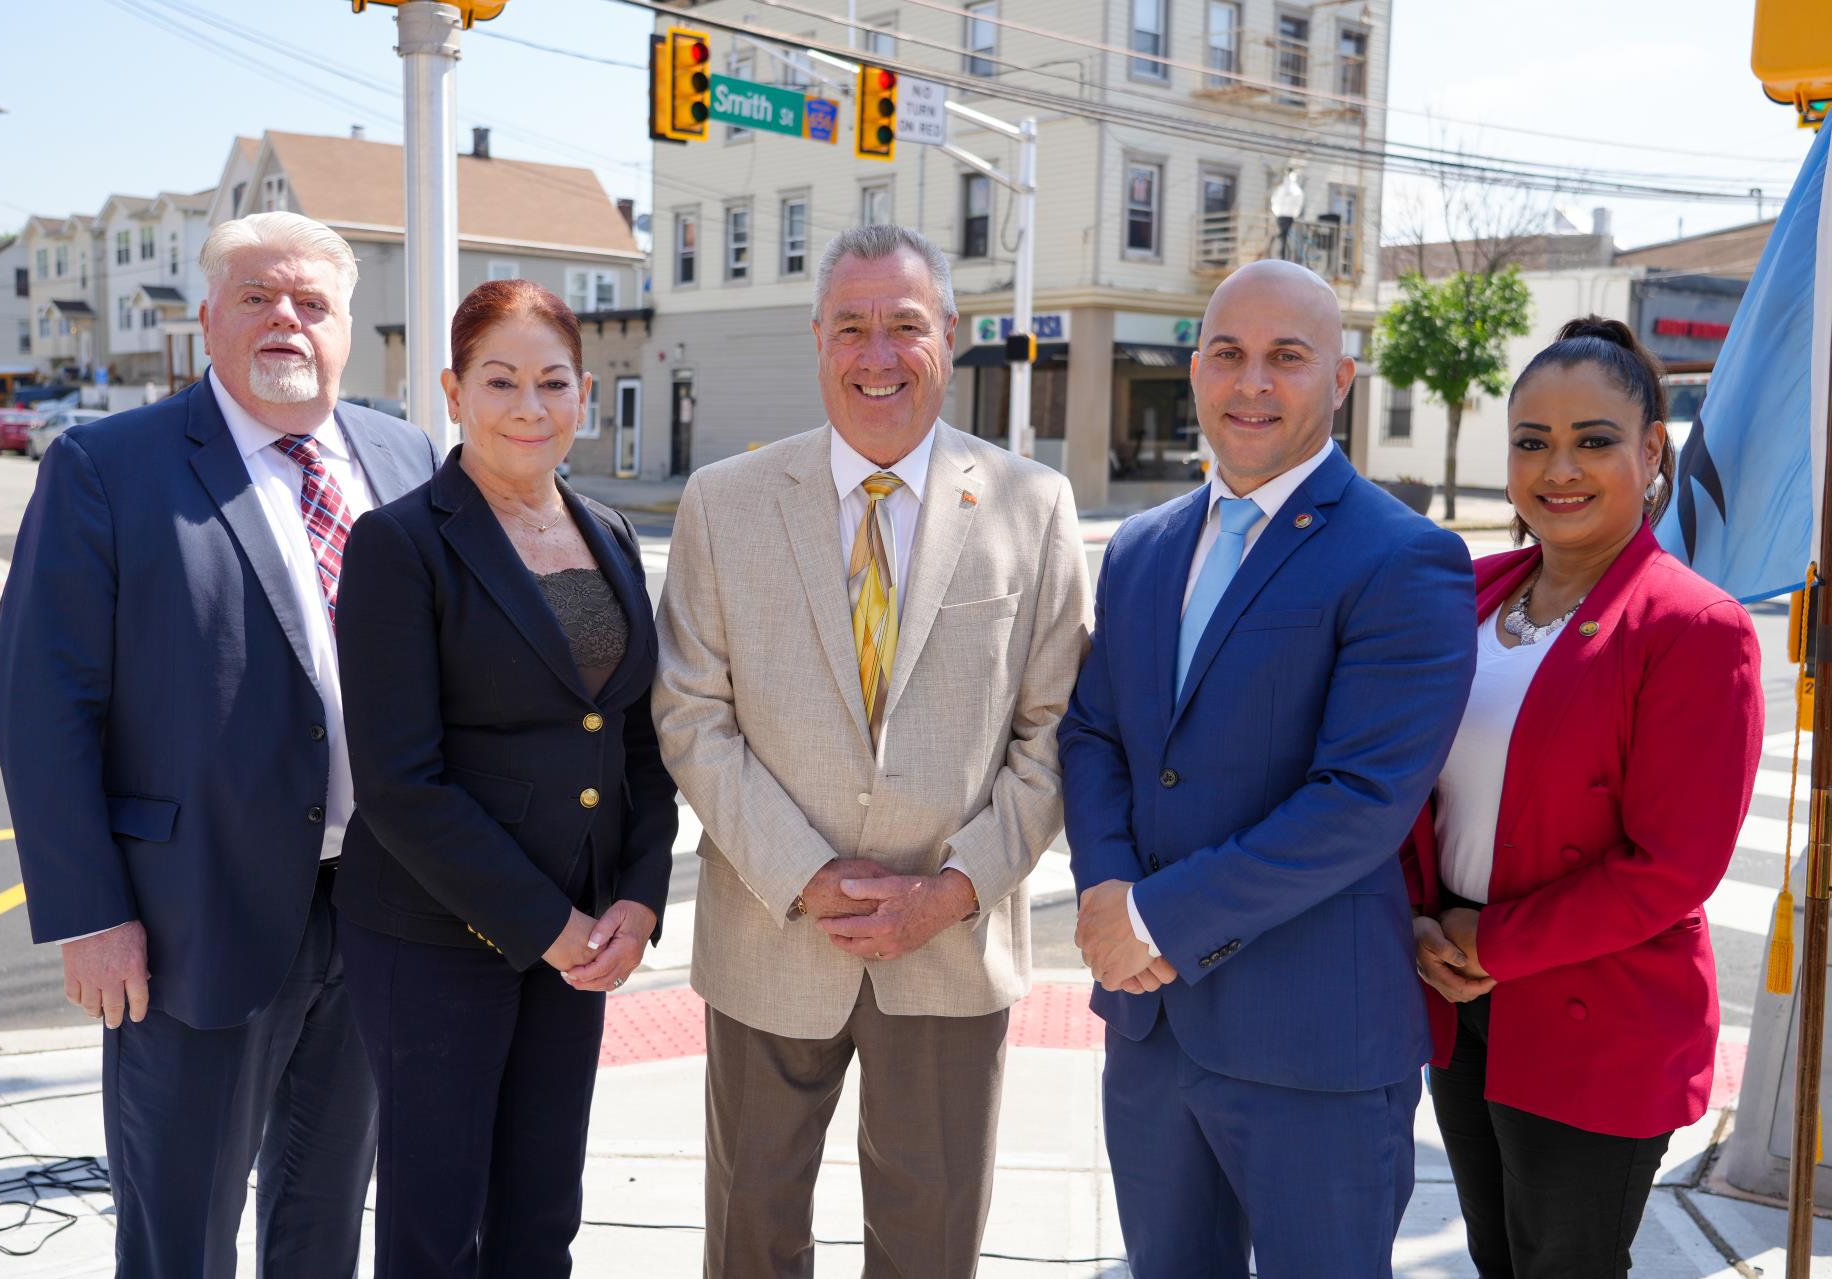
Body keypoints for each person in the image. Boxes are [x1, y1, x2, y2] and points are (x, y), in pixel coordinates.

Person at [0, 210, 437, 1276]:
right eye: (256, 297)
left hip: (379, 912)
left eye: (312, 303)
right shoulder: (107, 466)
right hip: (189, 920)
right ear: (206, 320)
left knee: (326, 1219)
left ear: (349, 329)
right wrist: (91, 913)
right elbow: (41, 702)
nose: (287, 319)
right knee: (180, 1233)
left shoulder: (402, 452)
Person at [652, 224, 1091, 1279]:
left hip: (949, 947)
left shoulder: (1033, 506)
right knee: (750, 1238)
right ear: (818, 342)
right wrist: (805, 874)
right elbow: (690, 714)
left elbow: (1056, 734)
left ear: (951, 335)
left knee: (930, 1245)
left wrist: (950, 889)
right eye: (851, 327)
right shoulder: (725, 502)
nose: (877, 354)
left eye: (905, 325)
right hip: (768, 936)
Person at [1058, 259, 1477, 1277]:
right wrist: (1110, 891)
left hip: (1313, 1047)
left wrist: (1153, 919)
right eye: (1229, 354)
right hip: (1152, 1031)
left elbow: (1361, 804)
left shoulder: (1403, 557)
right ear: (1195, 369)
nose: (1253, 382)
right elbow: (1095, 735)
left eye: (1287, 357)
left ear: (1340, 378)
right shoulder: (1144, 548)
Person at [1404, 317, 1763, 1278]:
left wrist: (1495, 943)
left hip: (1595, 1008)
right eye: (1533, 442)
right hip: (1454, 987)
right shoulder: (1465, 592)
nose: (1558, 467)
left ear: (1651, 452)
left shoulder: (1693, 627)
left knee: (1567, 1265)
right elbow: (1399, 791)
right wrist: (1418, 925)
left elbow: (1674, 867)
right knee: (1494, 1256)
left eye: (1594, 440)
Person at [332, 278, 676, 1277]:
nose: (530, 407)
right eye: (501, 380)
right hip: (435, 936)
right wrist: (551, 926)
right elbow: (399, 781)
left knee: (540, 1215)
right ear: (452, 388)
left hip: (582, 931)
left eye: (553, 381)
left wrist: (639, 901)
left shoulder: (609, 534)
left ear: (583, 391)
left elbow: (636, 740)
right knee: (435, 1228)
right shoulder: (400, 544)